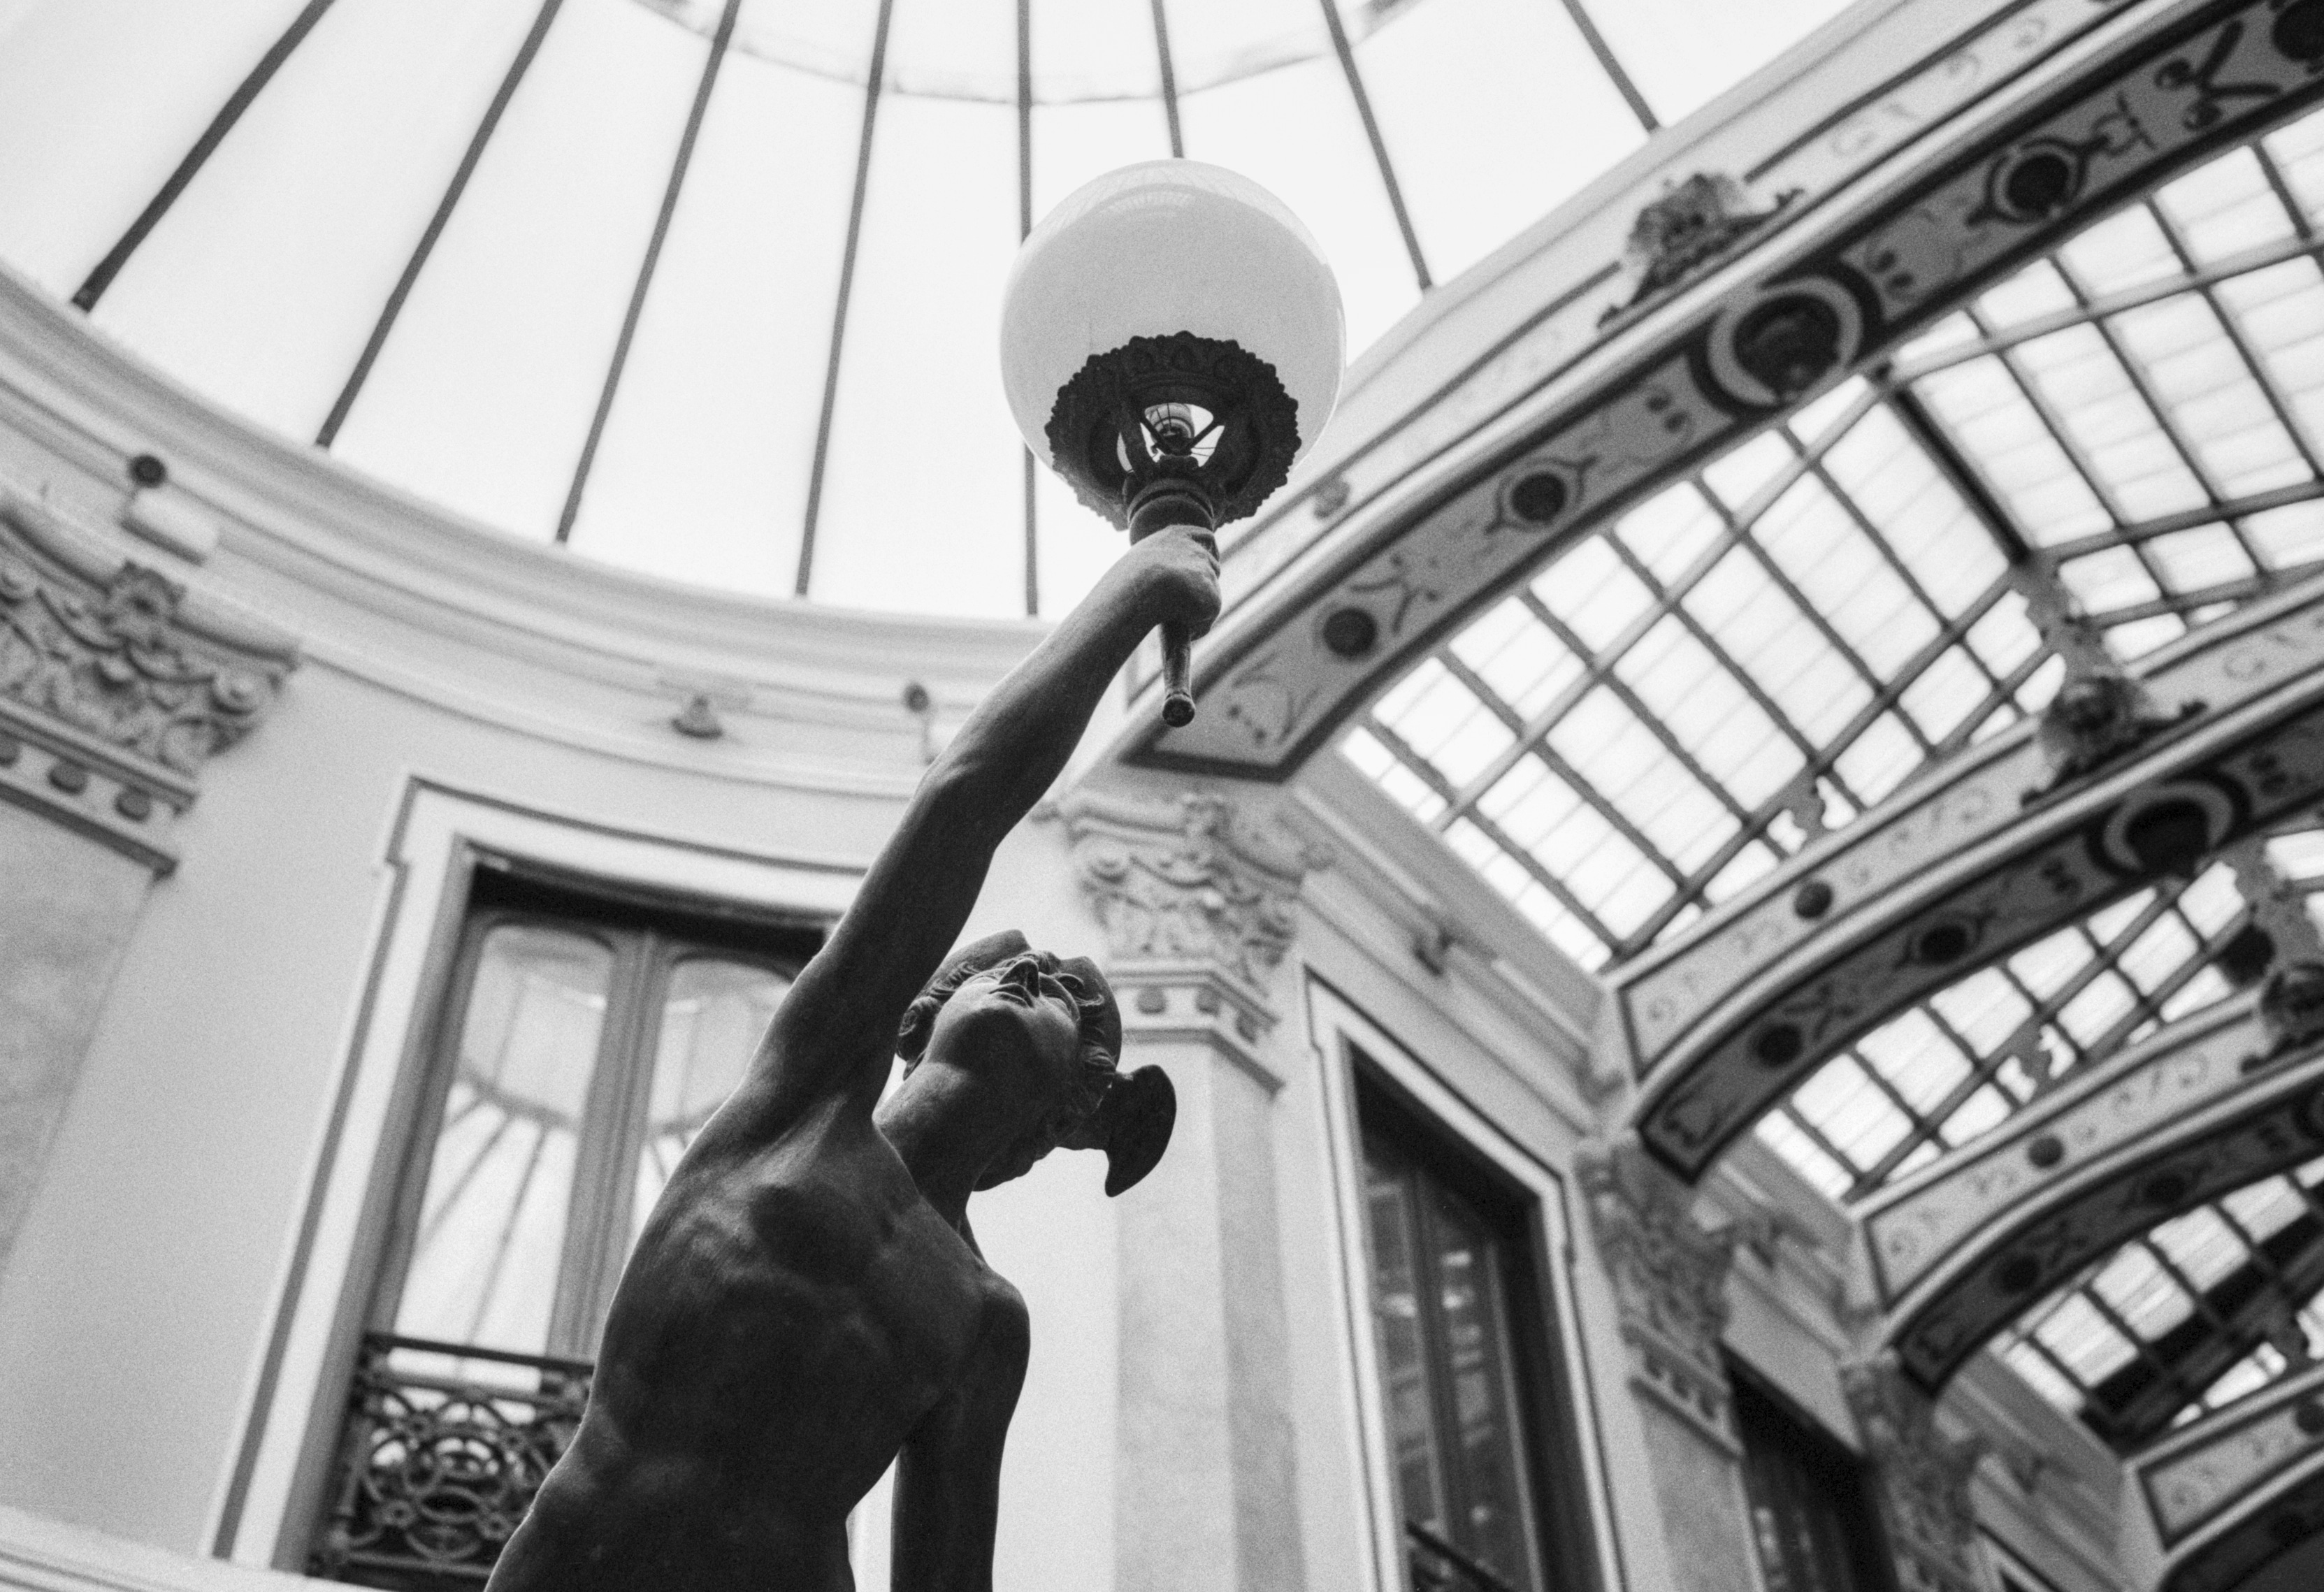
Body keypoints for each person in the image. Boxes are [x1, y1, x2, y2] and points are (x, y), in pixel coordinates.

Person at [484, 522, 1222, 1592]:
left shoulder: (983, 1316)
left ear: (1071, 1107)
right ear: (922, 1011)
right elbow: (961, 800)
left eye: (1069, 993)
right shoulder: (802, 1096)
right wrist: (1131, 593)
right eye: (1004, 965)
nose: (1031, 976)